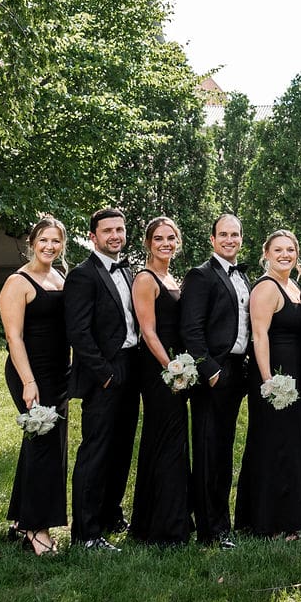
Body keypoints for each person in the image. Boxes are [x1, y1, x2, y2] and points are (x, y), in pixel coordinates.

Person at [63, 205, 141, 550]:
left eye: (119, 230)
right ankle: (86, 532)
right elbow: (78, 332)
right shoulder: (83, 274)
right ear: (93, 236)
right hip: (104, 373)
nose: (115, 236)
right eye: (108, 231)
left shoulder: (128, 271)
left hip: (131, 366)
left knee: (122, 447)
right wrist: (105, 375)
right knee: (96, 449)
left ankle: (111, 514)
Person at [0, 215, 69, 556]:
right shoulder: (18, 282)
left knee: (40, 445)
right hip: (30, 373)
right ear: (32, 242)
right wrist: (29, 382)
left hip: (58, 373)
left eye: (56, 241)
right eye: (44, 240)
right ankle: (37, 530)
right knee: (44, 447)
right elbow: (14, 337)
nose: (49, 246)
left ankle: (20, 519)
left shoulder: (60, 276)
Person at [180, 212, 251, 548]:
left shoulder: (242, 278)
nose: (229, 240)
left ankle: (222, 521)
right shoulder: (200, 276)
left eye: (234, 235)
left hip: (238, 371)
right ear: (212, 240)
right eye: (223, 235)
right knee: (209, 450)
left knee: (223, 450)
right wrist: (209, 371)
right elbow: (190, 330)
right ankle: (211, 529)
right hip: (215, 373)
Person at [235, 229, 301, 538]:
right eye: (278, 250)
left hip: (295, 375)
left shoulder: (292, 285)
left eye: (290, 250)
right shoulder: (266, 288)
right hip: (274, 375)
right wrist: (268, 381)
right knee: (273, 445)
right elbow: (259, 335)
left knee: (291, 445)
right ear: (266, 254)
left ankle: (289, 517)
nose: (285, 255)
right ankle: (268, 522)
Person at [130, 216, 192, 546]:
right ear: (148, 243)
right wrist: (171, 367)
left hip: (177, 366)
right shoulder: (145, 278)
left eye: (171, 238)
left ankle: (169, 517)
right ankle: (161, 527)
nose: (166, 243)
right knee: (164, 439)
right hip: (158, 369)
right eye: (159, 238)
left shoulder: (172, 277)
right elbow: (147, 331)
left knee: (174, 441)